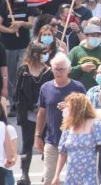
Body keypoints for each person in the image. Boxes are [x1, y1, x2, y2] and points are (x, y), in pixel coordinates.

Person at [35, 53, 86, 185]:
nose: (58, 72)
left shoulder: (78, 87)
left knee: (75, 179)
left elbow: (86, 112)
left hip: (74, 140)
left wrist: (71, 107)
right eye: (56, 69)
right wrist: (38, 135)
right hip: (52, 139)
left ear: (68, 70)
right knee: (49, 179)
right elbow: (41, 113)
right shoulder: (45, 87)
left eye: (61, 69)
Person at [13, 43, 54, 184]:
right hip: (28, 113)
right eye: (43, 52)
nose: (46, 55)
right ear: (35, 54)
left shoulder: (49, 72)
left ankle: (47, 171)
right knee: (27, 144)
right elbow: (17, 92)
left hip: (45, 114)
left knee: (47, 143)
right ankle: (24, 173)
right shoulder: (24, 70)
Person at [52, 93, 101, 185]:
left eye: (68, 107)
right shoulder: (68, 128)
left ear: (77, 108)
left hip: (91, 176)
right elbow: (63, 153)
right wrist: (56, 175)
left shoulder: (95, 124)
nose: (66, 109)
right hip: (72, 177)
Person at [0, 0, 37, 101]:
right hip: (8, 45)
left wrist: (21, 23)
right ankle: (12, 99)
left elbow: (31, 24)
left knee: (21, 71)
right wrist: (9, 30)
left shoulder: (28, 6)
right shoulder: (5, 6)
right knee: (10, 73)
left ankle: (21, 99)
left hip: (23, 45)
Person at [67, 23, 101, 90]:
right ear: (86, 36)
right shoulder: (75, 51)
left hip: (100, 92)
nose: (96, 38)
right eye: (93, 36)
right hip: (79, 92)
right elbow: (66, 71)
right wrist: (80, 68)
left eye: (98, 36)